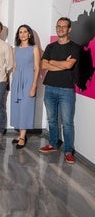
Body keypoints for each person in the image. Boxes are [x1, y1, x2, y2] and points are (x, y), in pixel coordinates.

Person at [39, 17, 80, 164]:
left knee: (67, 122)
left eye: (64, 26)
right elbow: (44, 65)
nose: (61, 29)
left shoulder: (74, 47)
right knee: (52, 119)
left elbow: (69, 66)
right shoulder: (50, 47)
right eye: (58, 26)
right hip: (49, 87)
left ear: (69, 29)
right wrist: (61, 64)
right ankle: (53, 144)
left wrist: (52, 62)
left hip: (66, 90)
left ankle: (68, 150)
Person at [10, 25, 40, 149]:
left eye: (25, 32)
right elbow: (15, 66)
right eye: (20, 32)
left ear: (29, 34)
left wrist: (34, 86)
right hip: (17, 79)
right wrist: (13, 81)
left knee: (25, 107)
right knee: (17, 106)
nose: (22, 34)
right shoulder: (15, 49)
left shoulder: (34, 48)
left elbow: (37, 68)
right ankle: (20, 133)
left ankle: (22, 136)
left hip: (28, 79)